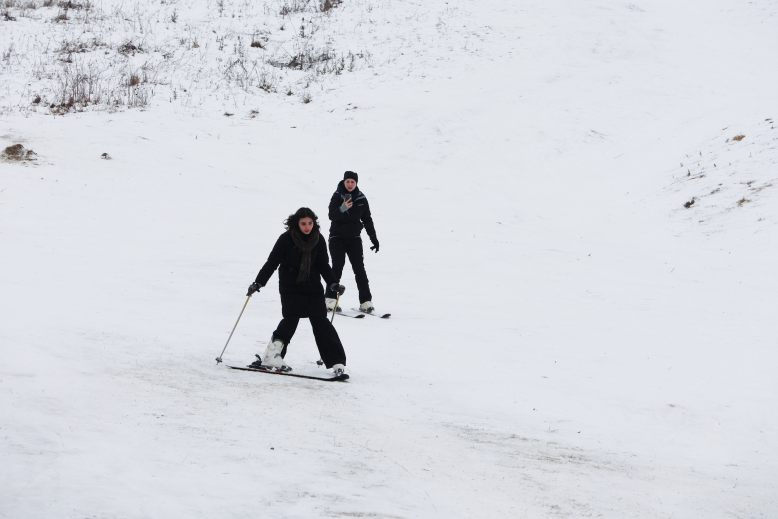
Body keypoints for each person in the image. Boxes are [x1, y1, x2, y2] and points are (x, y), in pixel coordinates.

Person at [247, 207, 347, 376]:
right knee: (290, 320)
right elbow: (272, 262)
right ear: (296, 223)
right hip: (290, 287)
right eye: (303, 223)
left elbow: (323, 265)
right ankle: (272, 356)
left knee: (321, 323)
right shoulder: (286, 239)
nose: (307, 227)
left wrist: (333, 283)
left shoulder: (318, 239)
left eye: (310, 223)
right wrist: (259, 282)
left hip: (313, 287)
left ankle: (337, 362)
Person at [324, 171, 379, 313]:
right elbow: (331, 215)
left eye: (352, 182)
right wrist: (343, 208)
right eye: (347, 181)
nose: (349, 184)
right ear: (343, 182)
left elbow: (367, 220)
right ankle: (330, 299)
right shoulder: (337, 196)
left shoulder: (361, 199)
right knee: (337, 266)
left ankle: (366, 302)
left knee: (359, 269)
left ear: (356, 183)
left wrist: (374, 239)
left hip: (354, 238)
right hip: (337, 237)